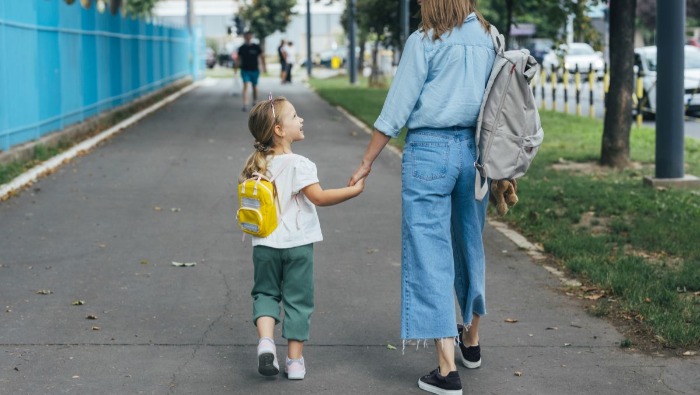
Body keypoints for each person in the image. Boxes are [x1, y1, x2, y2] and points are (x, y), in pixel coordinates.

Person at [348, 0, 495, 394]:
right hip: (476, 153)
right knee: (470, 244)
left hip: (429, 151)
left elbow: (396, 108)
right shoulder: (488, 37)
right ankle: (472, 340)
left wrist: (366, 162)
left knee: (429, 251)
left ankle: (447, 371)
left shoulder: (425, 40)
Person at [240, 95, 365, 380]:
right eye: (295, 116)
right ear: (280, 130)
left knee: (265, 293)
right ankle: (294, 362)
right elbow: (319, 198)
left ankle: (266, 342)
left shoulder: (257, 165)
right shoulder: (300, 164)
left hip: (264, 245)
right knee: (298, 300)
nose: (301, 119)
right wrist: (353, 191)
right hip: (298, 246)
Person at [237, 31, 266, 111]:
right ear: (244, 37)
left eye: (249, 36)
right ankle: (245, 104)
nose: (248, 37)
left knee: (254, 86)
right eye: (247, 36)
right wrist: (236, 68)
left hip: (254, 70)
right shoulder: (242, 48)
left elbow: (262, 56)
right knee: (245, 85)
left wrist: (264, 66)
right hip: (245, 69)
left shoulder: (256, 47)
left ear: (251, 37)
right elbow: (238, 59)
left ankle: (255, 101)